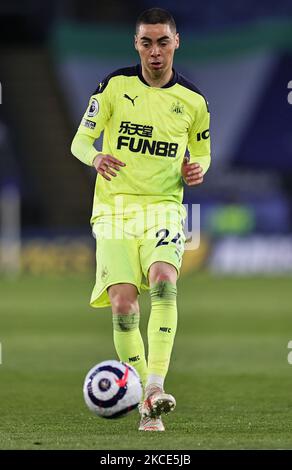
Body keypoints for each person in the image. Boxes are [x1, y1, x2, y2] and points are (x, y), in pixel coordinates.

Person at [71, 7, 211, 432]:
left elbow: (202, 150)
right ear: (136, 44)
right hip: (113, 209)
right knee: (124, 303)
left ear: (176, 42)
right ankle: (143, 401)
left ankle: (153, 388)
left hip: (164, 206)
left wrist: (198, 168)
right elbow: (79, 140)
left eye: (162, 42)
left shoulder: (193, 101)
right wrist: (96, 157)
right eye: (146, 42)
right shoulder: (114, 86)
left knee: (165, 281)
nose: (155, 51)